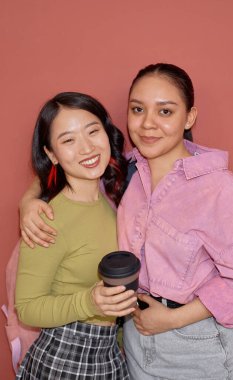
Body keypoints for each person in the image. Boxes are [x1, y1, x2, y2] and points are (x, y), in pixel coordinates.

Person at [18, 64, 233, 379]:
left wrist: (174, 319)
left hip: (195, 344)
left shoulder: (220, 188)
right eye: (138, 109)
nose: (148, 124)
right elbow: (71, 166)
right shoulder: (126, 174)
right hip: (132, 341)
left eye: (165, 111)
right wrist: (30, 201)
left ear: (189, 117)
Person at [15, 92, 137, 379]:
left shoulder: (111, 199)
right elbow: (28, 308)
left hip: (109, 353)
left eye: (93, 131)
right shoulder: (47, 219)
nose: (86, 148)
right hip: (65, 358)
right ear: (52, 154)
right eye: (68, 140)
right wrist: (90, 302)